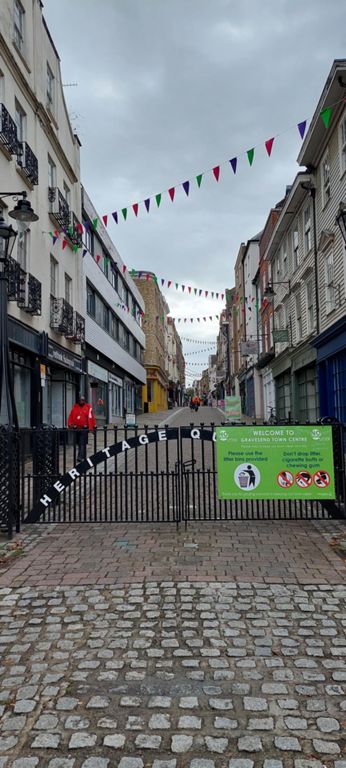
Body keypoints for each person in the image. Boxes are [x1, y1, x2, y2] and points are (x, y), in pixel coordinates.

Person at [68, 395, 96, 462]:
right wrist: (71, 425)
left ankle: (80, 457)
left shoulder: (88, 407)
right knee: (80, 443)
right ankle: (83, 456)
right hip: (77, 428)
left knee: (82, 442)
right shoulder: (75, 407)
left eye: (83, 400)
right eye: (80, 400)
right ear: (78, 400)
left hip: (84, 428)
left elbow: (91, 417)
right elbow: (71, 416)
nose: (81, 401)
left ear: (84, 400)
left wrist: (92, 427)